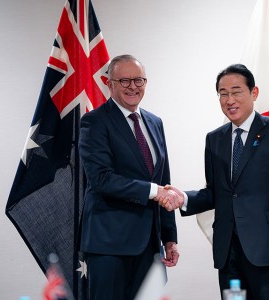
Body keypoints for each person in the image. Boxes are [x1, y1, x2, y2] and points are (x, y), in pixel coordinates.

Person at [160, 64, 269, 300]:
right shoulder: (215, 139)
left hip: (267, 253)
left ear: (254, 92)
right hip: (229, 255)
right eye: (223, 93)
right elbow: (216, 193)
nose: (230, 100)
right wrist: (184, 198)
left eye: (237, 91)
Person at [78, 54, 181, 300]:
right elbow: (101, 179)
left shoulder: (155, 122)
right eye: (124, 81)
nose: (132, 86)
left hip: (149, 245)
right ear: (109, 83)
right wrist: (155, 192)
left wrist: (169, 238)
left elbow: (163, 181)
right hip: (109, 245)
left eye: (138, 80)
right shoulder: (94, 122)